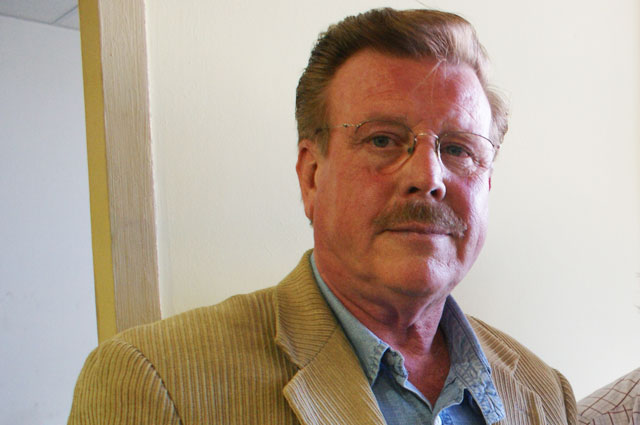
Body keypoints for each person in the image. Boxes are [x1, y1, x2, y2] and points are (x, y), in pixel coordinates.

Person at [69, 8, 577, 424]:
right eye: (383, 139)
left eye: (459, 149)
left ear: (487, 182)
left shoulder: (545, 394)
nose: (428, 177)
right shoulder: (157, 380)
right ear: (311, 176)